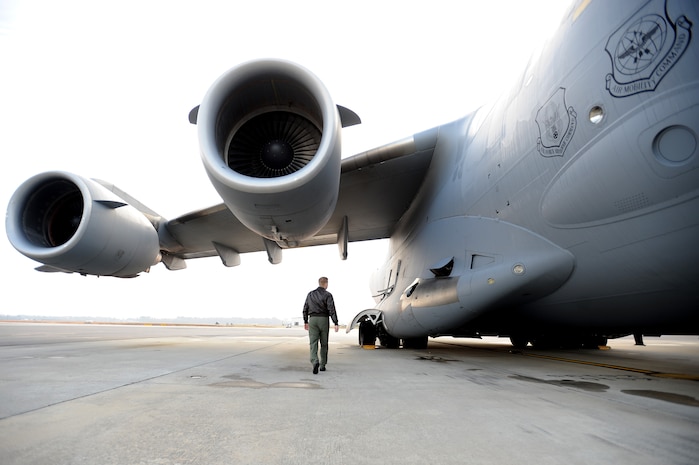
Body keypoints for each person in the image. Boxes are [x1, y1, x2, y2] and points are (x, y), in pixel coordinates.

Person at [303, 276, 339, 374]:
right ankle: (322, 365)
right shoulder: (328, 295)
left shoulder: (310, 294)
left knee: (313, 342)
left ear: (319, 283)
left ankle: (315, 361)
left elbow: (305, 308)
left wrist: (306, 321)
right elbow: (331, 309)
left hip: (313, 320)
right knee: (324, 343)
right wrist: (335, 322)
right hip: (324, 319)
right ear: (326, 284)